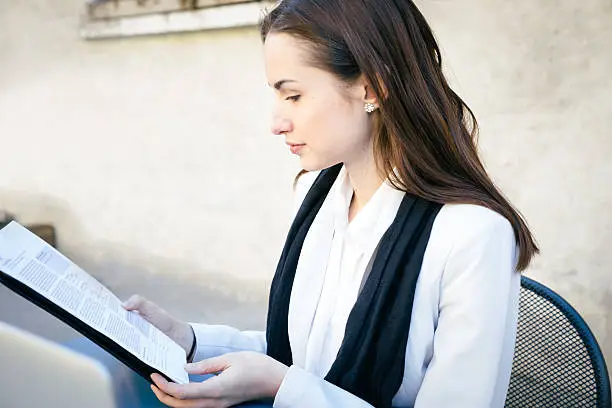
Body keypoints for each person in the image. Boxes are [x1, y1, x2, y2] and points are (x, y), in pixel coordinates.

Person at [121, 0, 539, 407]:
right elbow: (307, 355)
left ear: (371, 87)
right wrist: (187, 339)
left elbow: (293, 378)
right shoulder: (321, 198)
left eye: (294, 96)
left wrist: (282, 387)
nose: (276, 122)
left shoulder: (471, 235)